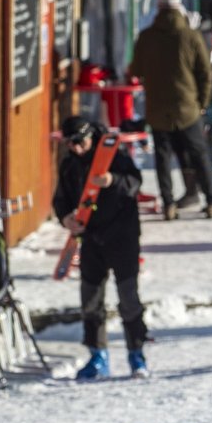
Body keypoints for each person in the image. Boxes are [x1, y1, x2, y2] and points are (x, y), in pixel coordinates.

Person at [52, 117, 151, 379]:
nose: (75, 148)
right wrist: (66, 219)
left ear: (90, 136)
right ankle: (98, 354)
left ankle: (136, 353)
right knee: (91, 299)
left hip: (122, 236)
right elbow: (60, 199)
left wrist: (112, 180)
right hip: (91, 237)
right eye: (70, 143)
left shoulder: (112, 155)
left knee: (128, 297)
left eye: (79, 142)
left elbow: (135, 182)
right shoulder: (70, 164)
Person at [129, 0, 212, 221]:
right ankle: (211, 202)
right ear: (180, 8)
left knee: (162, 158)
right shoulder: (191, 36)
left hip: (157, 108)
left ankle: (168, 204)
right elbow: (205, 72)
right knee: (199, 155)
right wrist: (202, 101)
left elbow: (135, 69)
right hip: (188, 107)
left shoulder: (146, 37)